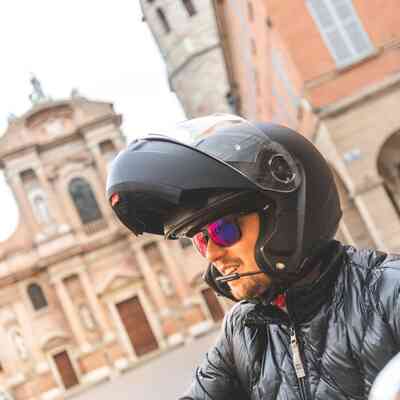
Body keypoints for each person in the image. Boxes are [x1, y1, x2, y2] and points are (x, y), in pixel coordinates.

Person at [106, 114, 400, 400]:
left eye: (224, 230)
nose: (212, 253)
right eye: (200, 240)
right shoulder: (243, 328)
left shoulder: (390, 291)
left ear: (285, 217)